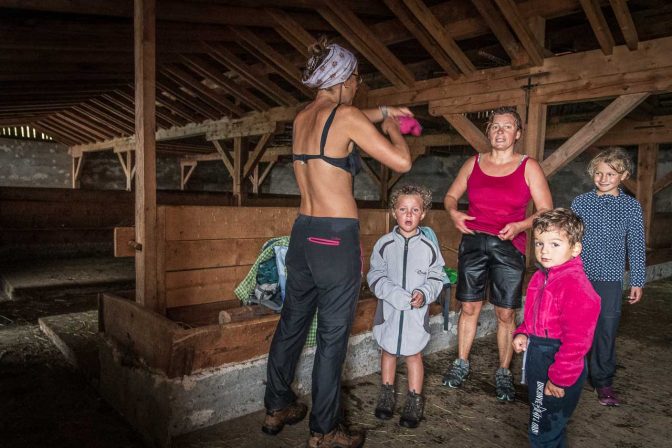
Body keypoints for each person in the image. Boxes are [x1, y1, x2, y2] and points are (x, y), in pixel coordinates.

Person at [261, 36, 412, 448]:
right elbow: (402, 162)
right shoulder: (345, 116)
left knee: (291, 324)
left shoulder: (303, 117)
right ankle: (325, 431)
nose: (358, 85)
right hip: (335, 239)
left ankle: (276, 407)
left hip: (303, 234)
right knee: (331, 338)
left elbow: (346, 120)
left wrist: (379, 111)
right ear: (344, 78)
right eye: (356, 78)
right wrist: (394, 128)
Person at [442, 106, 552, 401]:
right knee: (468, 307)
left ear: (517, 134)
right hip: (474, 241)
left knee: (505, 311)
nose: (499, 132)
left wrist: (520, 226)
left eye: (506, 127)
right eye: (494, 126)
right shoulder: (474, 162)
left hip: (508, 244)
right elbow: (450, 196)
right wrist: (454, 214)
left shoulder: (529, 166)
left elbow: (544, 211)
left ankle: (504, 371)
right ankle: (461, 362)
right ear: (488, 132)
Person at [513, 208, 601, 447]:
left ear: (575, 249)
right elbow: (533, 315)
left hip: (558, 360)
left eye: (554, 244)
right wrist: (523, 331)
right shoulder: (540, 277)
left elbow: (577, 343)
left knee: (541, 429)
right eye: (540, 243)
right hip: (539, 355)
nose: (544, 251)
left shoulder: (576, 287)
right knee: (547, 425)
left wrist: (560, 379)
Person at [571, 148, 646, 406]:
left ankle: (603, 381)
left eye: (611, 173)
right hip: (580, 276)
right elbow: (571, 238)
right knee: (577, 327)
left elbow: (636, 243)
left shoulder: (630, 206)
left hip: (611, 279)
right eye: (599, 173)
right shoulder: (580, 203)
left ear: (623, 175)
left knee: (606, 329)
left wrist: (637, 280)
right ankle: (572, 376)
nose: (603, 178)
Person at [367, 185, 445, 429]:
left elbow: (436, 277)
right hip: (389, 312)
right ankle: (387, 393)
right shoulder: (384, 244)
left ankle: (414, 399)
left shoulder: (429, 247)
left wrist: (423, 293)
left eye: (415, 210)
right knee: (388, 351)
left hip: (415, 315)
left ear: (423, 214)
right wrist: (395, 295)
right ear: (394, 212)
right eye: (403, 209)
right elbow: (374, 276)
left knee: (414, 354)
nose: (409, 215)